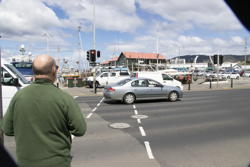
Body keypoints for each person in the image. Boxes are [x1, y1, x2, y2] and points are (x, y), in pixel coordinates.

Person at [1, 55, 87, 167]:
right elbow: (80, 130)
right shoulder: (64, 98)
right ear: (53, 70)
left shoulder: (19, 96)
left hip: (26, 162)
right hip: (58, 162)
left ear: (33, 71)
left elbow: (7, 129)